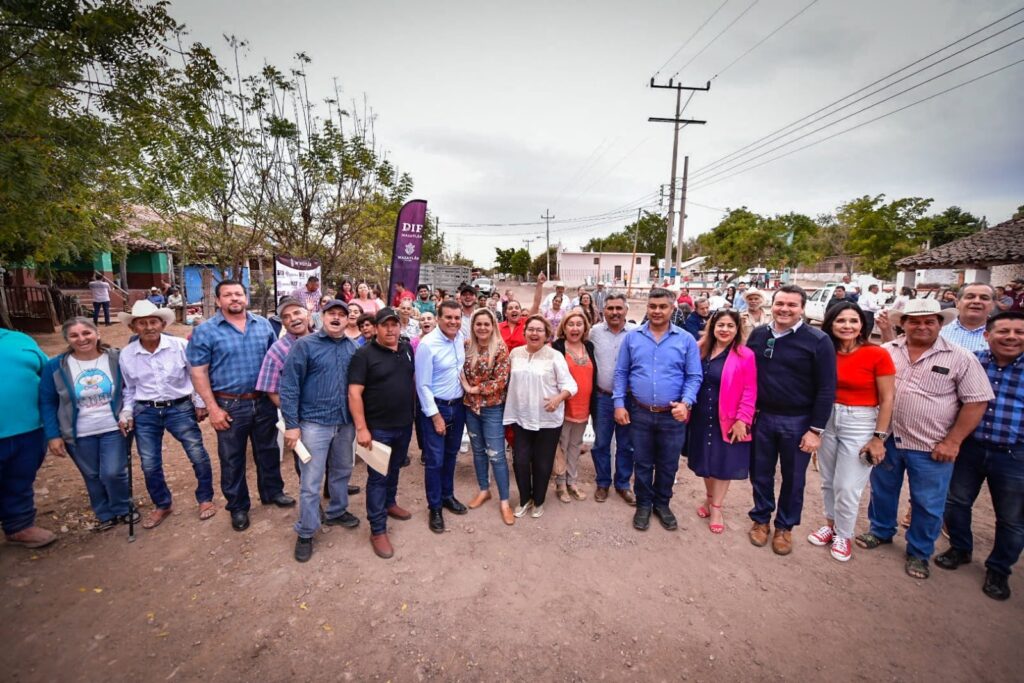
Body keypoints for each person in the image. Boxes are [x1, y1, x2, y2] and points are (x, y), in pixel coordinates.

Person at [855, 299, 992, 580]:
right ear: (902, 323)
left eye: (929, 321)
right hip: (887, 438)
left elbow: (976, 402)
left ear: (940, 324)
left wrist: (953, 441)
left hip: (931, 445)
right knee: (882, 490)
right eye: (914, 320)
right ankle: (880, 531)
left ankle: (919, 552)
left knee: (928, 502)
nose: (922, 326)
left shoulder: (960, 357)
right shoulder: (885, 351)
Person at [186, 279, 293, 533]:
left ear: (246, 298)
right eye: (228, 295)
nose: (234, 299)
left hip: (263, 401)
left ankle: (272, 492)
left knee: (267, 450)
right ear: (219, 300)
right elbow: (198, 372)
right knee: (232, 458)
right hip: (229, 405)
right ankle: (238, 506)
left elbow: (274, 363)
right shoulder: (206, 331)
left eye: (238, 294)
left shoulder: (263, 325)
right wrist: (212, 408)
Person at [935, 311, 1024, 599]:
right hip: (968, 446)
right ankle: (960, 549)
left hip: (1015, 454)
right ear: (987, 335)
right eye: (1004, 331)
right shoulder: (973, 361)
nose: (1011, 337)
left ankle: (999, 569)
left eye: (1019, 332)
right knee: (956, 502)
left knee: (1011, 518)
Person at [745, 285, 837, 555]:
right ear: (771, 305)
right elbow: (748, 374)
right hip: (762, 418)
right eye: (780, 303)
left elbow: (826, 388)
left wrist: (815, 430)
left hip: (798, 422)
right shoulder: (759, 334)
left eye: (792, 305)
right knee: (760, 472)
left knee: (794, 478)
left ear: (802, 308)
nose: (784, 309)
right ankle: (761, 520)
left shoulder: (818, 341)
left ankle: (784, 527)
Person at [805, 302, 895, 562]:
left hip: (861, 419)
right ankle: (830, 525)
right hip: (827, 417)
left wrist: (879, 438)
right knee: (828, 480)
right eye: (840, 321)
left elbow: (888, 398)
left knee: (848, 485)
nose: (847, 326)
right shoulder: (825, 352)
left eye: (853, 321)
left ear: (862, 325)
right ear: (830, 324)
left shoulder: (877, 354)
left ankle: (844, 534)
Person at [118, 301, 216, 528]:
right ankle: (162, 504)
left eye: (153, 322)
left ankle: (205, 499)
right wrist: (127, 411)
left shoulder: (180, 345)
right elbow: (129, 388)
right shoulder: (127, 354)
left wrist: (201, 402)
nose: (149, 327)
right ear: (134, 328)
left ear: (162, 324)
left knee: (197, 454)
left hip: (179, 408)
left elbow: (195, 375)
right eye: (142, 323)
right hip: (145, 410)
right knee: (150, 463)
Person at [614, 288, 703, 532]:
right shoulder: (633, 338)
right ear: (647, 308)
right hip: (640, 412)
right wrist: (619, 403)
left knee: (668, 464)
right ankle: (643, 504)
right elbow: (621, 372)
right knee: (642, 462)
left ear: (672, 308)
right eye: (652, 306)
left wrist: (686, 403)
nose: (656, 311)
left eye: (662, 306)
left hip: (672, 415)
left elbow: (694, 376)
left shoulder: (685, 340)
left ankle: (662, 504)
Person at [280, 300, 361, 562]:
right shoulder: (305, 345)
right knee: (311, 482)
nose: (336, 318)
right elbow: (289, 386)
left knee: (342, 472)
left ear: (349, 320)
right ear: (322, 317)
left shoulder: (353, 347)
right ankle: (306, 530)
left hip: (345, 422)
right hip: (314, 424)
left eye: (342, 315)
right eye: (331, 314)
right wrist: (292, 425)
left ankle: (337, 510)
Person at [39, 318, 135, 532]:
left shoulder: (116, 358)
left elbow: (132, 386)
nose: (82, 339)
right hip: (78, 432)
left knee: (113, 472)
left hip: (113, 427)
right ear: (67, 339)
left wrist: (128, 413)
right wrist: (53, 435)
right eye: (74, 335)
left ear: (97, 334)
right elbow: (47, 400)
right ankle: (104, 512)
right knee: (91, 474)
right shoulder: (55, 366)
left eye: (86, 333)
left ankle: (122, 507)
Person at [348, 308, 416, 559]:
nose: (391, 330)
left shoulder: (407, 350)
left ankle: (390, 503)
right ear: (375, 328)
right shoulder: (363, 355)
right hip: (378, 429)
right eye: (385, 325)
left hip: (403, 424)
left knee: (395, 468)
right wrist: (362, 428)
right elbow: (354, 393)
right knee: (377, 477)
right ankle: (377, 528)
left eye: (394, 325)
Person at [687, 309, 757, 535]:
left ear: (737, 330)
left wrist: (742, 420)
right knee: (706, 462)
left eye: (730, 326)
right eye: (720, 325)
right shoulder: (699, 350)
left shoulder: (745, 355)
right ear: (712, 327)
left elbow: (750, 390)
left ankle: (716, 508)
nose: (724, 330)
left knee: (723, 464)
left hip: (727, 418)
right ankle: (709, 499)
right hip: (700, 415)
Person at [504, 315, 578, 519]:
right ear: (524, 331)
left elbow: (571, 385)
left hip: (547, 419)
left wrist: (557, 398)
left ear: (547, 334)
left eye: (539, 330)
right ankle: (524, 499)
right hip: (521, 417)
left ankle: (539, 501)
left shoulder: (555, 356)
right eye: (530, 329)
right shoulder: (515, 354)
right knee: (519, 460)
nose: (534, 333)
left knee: (543, 463)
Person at [416, 300, 469, 533]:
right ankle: (435, 507)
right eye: (448, 317)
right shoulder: (428, 345)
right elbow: (423, 385)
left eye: (457, 318)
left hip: (458, 406)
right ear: (438, 318)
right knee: (435, 461)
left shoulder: (459, 338)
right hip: (436, 408)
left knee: (451, 455)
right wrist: (435, 416)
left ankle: (447, 496)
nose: (453, 322)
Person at [0, 328, 56, 548]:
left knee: (21, 477)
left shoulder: (19, 339)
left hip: (29, 428)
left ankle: (19, 525)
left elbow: (47, 373)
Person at [460, 308, 513, 524]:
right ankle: (484, 489)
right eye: (478, 324)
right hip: (471, 409)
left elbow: (500, 382)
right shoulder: (466, 346)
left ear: (493, 326)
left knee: (497, 455)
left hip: (492, 408)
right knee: (478, 452)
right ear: (473, 326)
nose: (482, 328)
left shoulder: (500, 348)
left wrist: (473, 389)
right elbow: (460, 371)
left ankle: (505, 501)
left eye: (486, 324)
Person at [590, 294, 637, 504]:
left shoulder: (636, 333)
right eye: (610, 308)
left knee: (626, 444)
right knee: (601, 442)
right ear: (603, 311)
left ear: (626, 310)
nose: (615, 312)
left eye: (619, 308)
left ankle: (623, 484)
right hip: (603, 398)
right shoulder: (595, 332)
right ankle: (602, 482)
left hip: (629, 399)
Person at [552, 311, 596, 503]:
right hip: (564, 406)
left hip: (584, 406)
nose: (575, 328)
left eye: (579, 324)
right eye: (571, 324)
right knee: (561, 445)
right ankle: (560, 483)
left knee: (575, 446)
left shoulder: (589, 346)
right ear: (564, 327)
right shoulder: (557, 347)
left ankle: (572, 481)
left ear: (585, 328)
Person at [939, 283, 996, 353]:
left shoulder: (1002, 334)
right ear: (957, 303)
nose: (976, 301)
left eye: (984, 298)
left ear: (993, 305)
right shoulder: (939, 330)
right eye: (970, 297)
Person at [500, 275, 545, 352]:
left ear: (520, 312)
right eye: (510, 308)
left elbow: (536, 303)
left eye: (517, 308)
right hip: (504, 362)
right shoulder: (498, 327)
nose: (514, 310)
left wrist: (539, 284)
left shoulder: (526, 322)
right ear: (505, 314)